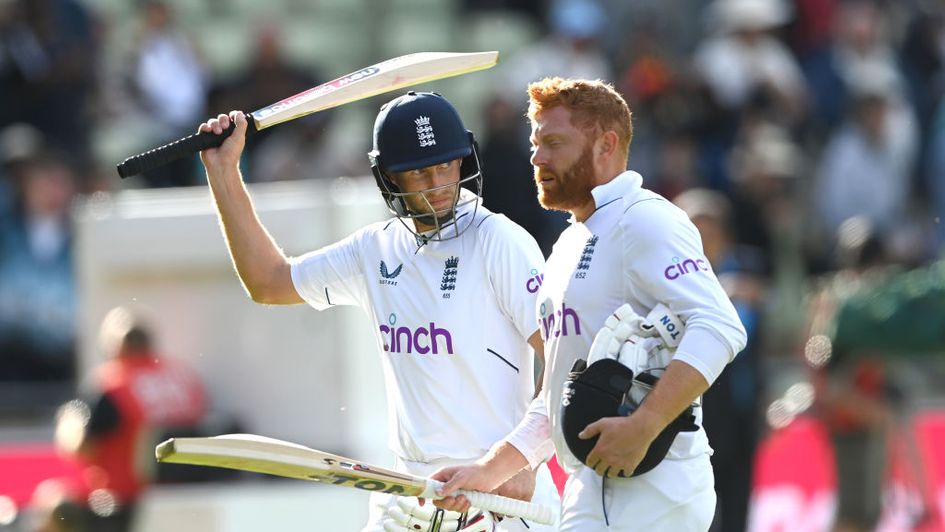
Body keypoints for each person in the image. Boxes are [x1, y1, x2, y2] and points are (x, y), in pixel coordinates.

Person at [197, 91, 560, 531]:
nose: (438, 185)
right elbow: (269, 282)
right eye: (419, 172)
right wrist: (223, 172)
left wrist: (516, 462)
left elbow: (563, 364)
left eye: (446, 165)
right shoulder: (375, 249)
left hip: (501, 498)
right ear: (389, 176)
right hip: (410, 495)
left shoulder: (501, 243)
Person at [431, 77, 747, 531]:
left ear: (606, 145)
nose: (537, 158)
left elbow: (720, 326)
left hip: (654, 486)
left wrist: (645, 424)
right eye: (535, 144)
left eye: (554, 143)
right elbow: (555, 397)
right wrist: (489, 470)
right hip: (589, 483)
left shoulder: (645, 219)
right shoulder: (568, 244)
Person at [53, 306, 207, 532]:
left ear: (115, 346)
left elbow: (83, 448)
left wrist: (67, 424)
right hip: (183, 492)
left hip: (124, 500)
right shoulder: (184, 378)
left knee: (54, 502)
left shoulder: (114, 384)